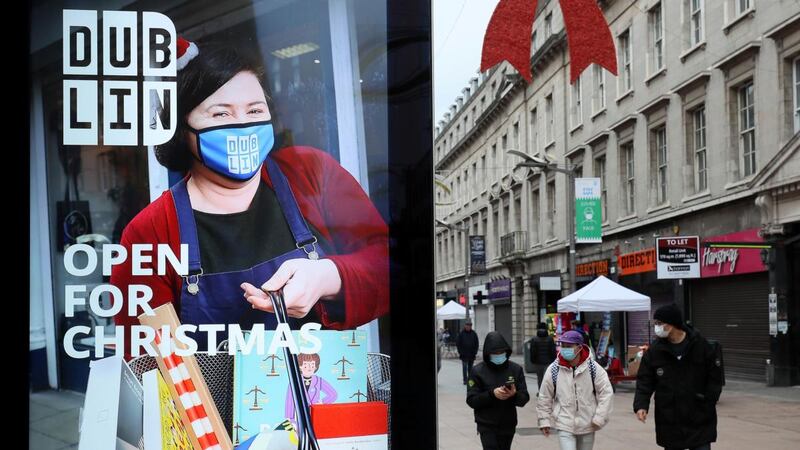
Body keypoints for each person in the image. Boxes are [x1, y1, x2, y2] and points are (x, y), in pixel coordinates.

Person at [111, 38, 389, 358]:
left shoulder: (310, 173)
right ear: (180, 130)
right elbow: (148, 363)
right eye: (221, 114)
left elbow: (389, 265)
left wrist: (331, 277)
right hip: (210, 409)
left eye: (255, 110)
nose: (243, 124)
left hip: (326, 401)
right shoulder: (150, 231)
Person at [634, 304, 723, 450]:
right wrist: (641, 405)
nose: (656, 327)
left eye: (659, 323)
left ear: (671, 325)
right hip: (669, 418)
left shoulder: (700, 346)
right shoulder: (655, 351)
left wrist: (708, 400)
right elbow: (645, 380)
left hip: (698, 416)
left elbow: (715, 377)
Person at [536, 330, 613, 450]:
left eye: (569, 346)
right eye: (563, 346)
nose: (565, 349)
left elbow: (606, 393)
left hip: (588, 423)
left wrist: (599, 417)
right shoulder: (554, 369)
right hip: (564, 423)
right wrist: (544, 420)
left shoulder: (593, 368)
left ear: (579, 347)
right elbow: (544, 396)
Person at [466, 331, 529, 450]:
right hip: (486, 424)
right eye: (495, 353)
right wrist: (492, 394)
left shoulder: (515, 369)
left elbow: (524, 398)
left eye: (501, 352)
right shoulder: (477, 371)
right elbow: (471, 400)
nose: (499, 355)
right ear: (488, 354)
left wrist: (513, 395)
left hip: (508, 423)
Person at [530, 322, 557, 390]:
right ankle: (548, 392)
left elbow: (532, 351)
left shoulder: (534, 339)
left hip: (538, 362)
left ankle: (540, 392)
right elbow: (553, 351)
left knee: (540, 378)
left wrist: (533, 360)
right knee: (548, 378)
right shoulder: (550, 339)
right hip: (548, 362)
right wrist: (553, 360)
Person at [457, 320, 480, 385]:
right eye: (467, 325)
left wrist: (475, 352)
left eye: (469, 326)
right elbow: (458, 343)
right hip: (464, 354)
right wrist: (460, 352)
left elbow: (476, 343)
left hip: (472, 354)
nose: (468, 327)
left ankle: (470, 380)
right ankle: (465, 380)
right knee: (464, 367)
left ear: (471, 326)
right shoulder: (461, 333)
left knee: (470, 368)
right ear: (465, 326)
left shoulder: (474, 333)